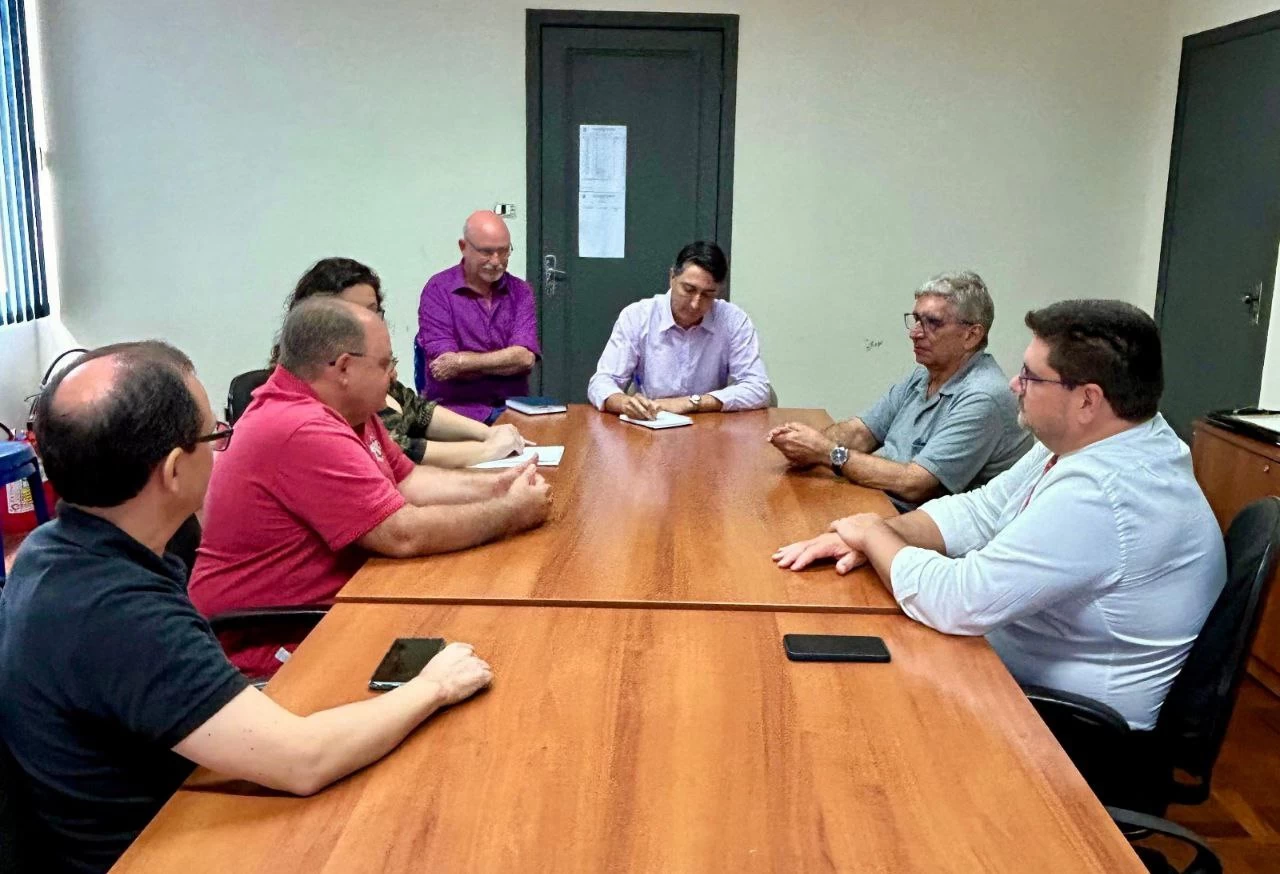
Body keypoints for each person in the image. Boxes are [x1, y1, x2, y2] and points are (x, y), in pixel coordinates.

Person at [0, 341, 494, 874]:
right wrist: (433, 686)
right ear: (173, 470)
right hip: (165, 848)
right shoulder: (117, 613)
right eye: (215, 436)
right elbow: (303, 761)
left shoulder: (52, 550)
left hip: (182, 799)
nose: (222, 451)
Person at [773, 299, 1226, 730]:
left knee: (842, 704)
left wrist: (873, 535)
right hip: (1007, 664)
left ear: (1088, 400)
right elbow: (982, 509)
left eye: (1031, 376)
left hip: (1066, 727)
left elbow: (959, 600)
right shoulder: (1098, 439)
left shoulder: (1106, 493)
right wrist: (884, 533)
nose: (1013, 384)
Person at [190, 298, 550, 677]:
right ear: (345, 367)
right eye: (384, 364)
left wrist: (501, 485)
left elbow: (410, 480)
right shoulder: (300, 426)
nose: (392, 376)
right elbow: (401, 535)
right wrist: (510, 512)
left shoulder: (350, 411)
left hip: (345, 605)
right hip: (273, 641)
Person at [768, 271, 1028, 510]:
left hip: (925, 528)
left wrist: (826, 452)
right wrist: (804, 445)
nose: (915, 333)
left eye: (933, 323)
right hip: (881, 502)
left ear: (971, 335)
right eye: (916, 320)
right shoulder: (923, 375)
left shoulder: (983, 397)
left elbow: (914, 485)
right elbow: (861, 433)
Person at [278, 257, 531, 467]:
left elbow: (418, 411)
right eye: (355, 313)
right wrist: (487, 450)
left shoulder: (368, 367)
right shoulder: (320, 388)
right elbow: (399, 452)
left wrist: (488, 434)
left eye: (373, 310)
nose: (370, 322)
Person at [586, 241, 771, 418]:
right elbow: (601, 381)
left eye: (708, 295)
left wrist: (692, 403)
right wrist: (623, 403)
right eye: (689, 289)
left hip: (709, 425)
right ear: (672, 277)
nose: (695, 303)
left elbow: (758, 389)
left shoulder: (733, 320)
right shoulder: (637, 316)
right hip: (652, 423)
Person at [416, 210, 539, 422]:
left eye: (504, 251)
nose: (496, 261)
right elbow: (443, 366)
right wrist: (504, 362)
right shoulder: (438, 290)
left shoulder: (521, 291)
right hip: (455, 411)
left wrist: (461, 362)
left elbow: (524, 359)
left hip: (513, 409)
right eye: (486, 252)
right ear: (463, 247)